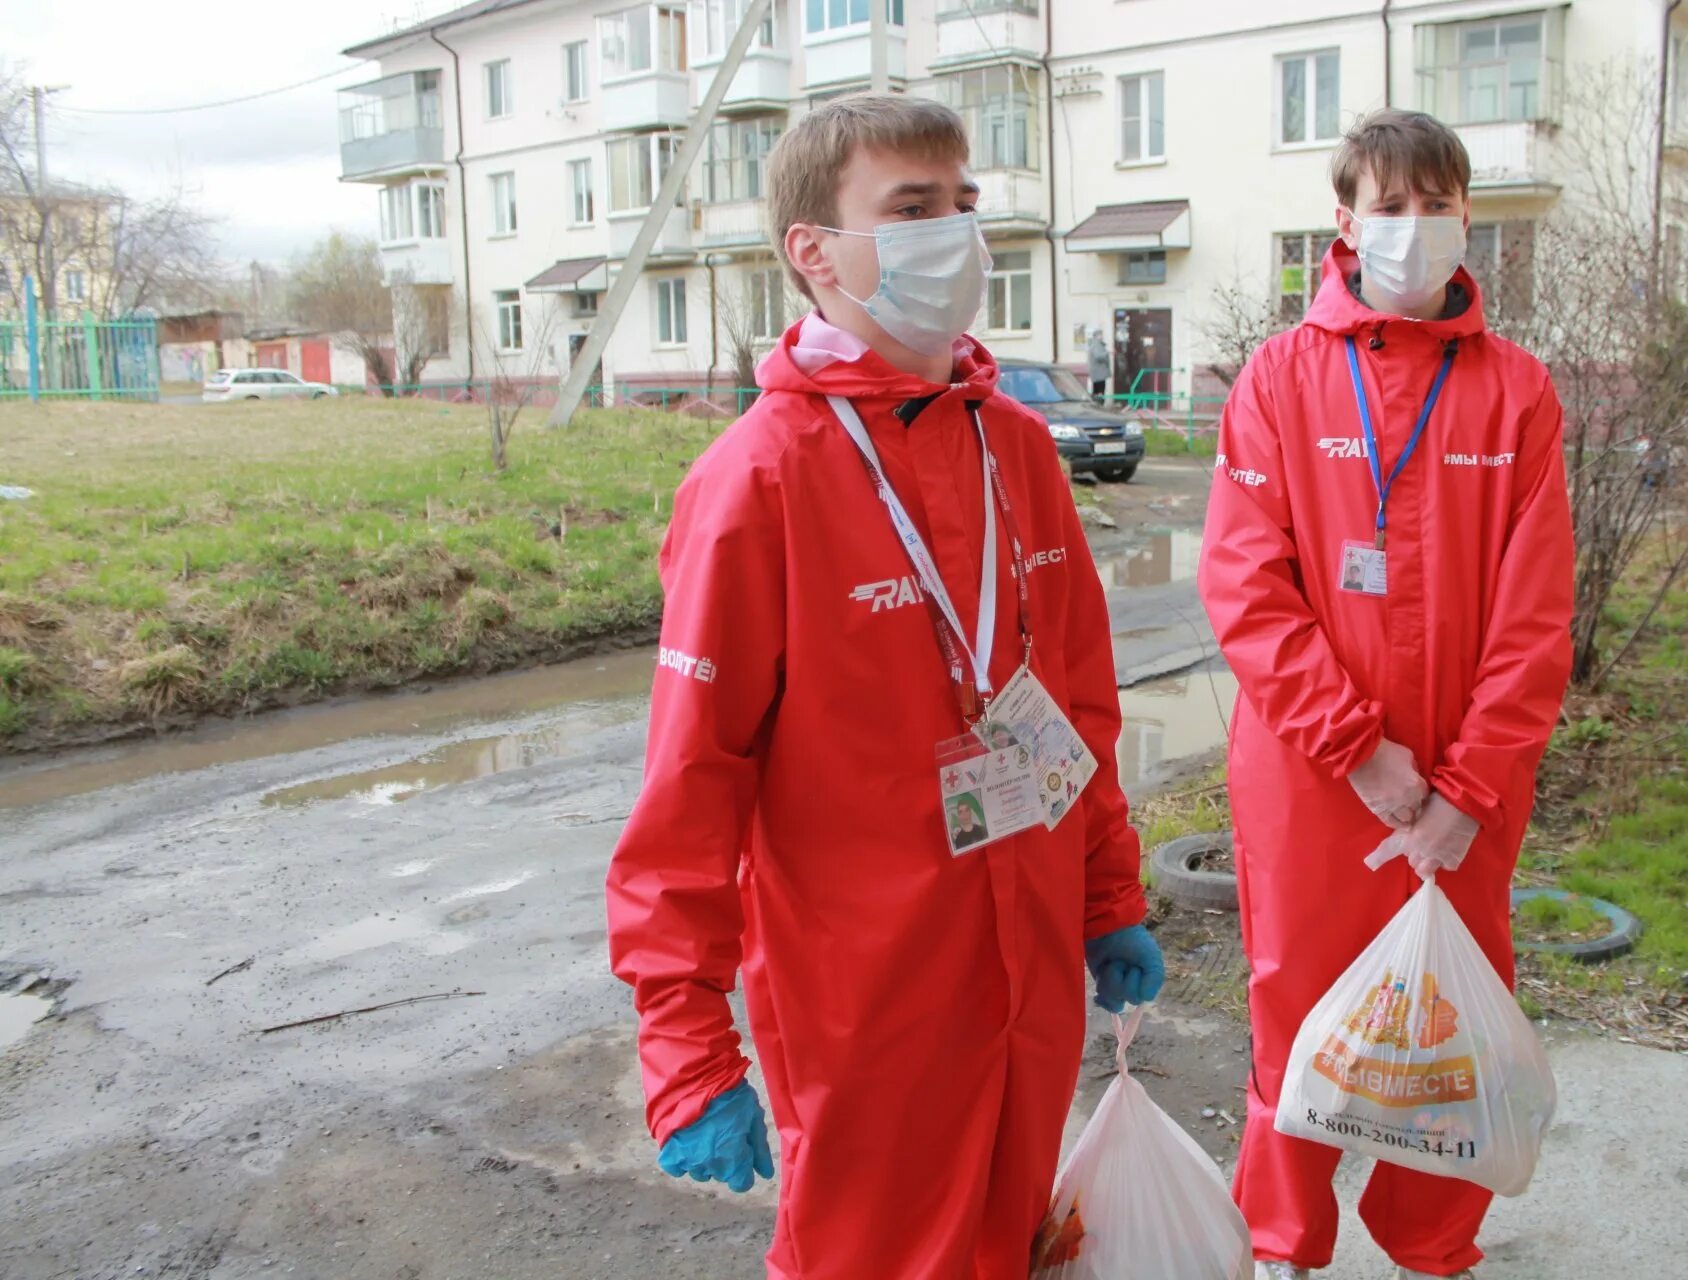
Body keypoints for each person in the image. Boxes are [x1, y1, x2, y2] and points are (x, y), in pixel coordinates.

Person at [605, 94, 1165, 1280]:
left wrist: (1106, 893)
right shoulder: (755, 483)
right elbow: (688, 793)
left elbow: (1077, 707)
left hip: (1027, 982)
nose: (956, 236)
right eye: (911, 210)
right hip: (867, 1006)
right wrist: (690, 1049)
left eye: (962, 206)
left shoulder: (1016, 450)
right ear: (815, 250)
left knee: (1013, 1246)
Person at [1198, 109, 1575, 1280]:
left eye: (1439, 202)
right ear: (1346, 220)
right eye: (1391, 204)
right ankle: (1284, 1243)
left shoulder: (1516, 394)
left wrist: (1465, 787)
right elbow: (1246, 588)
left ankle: (1432, 1242)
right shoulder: (1278, 379)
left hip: (1466, 787)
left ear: (1467, 216)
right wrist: (1358, 748)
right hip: (1312, 780)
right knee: (1296, 1009)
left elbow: (1535, 618)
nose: (1416, 227)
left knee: (1451, 1021)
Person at [1086, 326, 1111, 402]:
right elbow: (1098, 356)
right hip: (1098, 373)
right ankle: (1099, 405)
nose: (1102, 336)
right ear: (1097, 336)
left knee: (1097, 390)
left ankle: (1098, 403)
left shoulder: (1095, 344)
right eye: (1100, 335)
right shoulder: (1096, 344)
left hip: (1098, 373)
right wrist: (1107, 352)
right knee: (1099, 391)